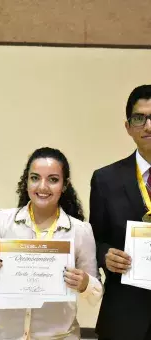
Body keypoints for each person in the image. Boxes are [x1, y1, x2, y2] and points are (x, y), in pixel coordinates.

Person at [0, 147, 102, 340]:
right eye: (35, 178)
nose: (42, 187)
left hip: (58, 336)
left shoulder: (80, 231)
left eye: (53, 179)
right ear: (26, 181)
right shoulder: (2, 221)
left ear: (64, 185)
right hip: (0, 336)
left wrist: (85, 283)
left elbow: (95, 295)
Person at [90, 84, 151, 340]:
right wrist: (106, 256)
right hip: (125, 314)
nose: (148, 126)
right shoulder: (106, 179)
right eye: (140, 118)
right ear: (128, 127)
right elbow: (94, 240)